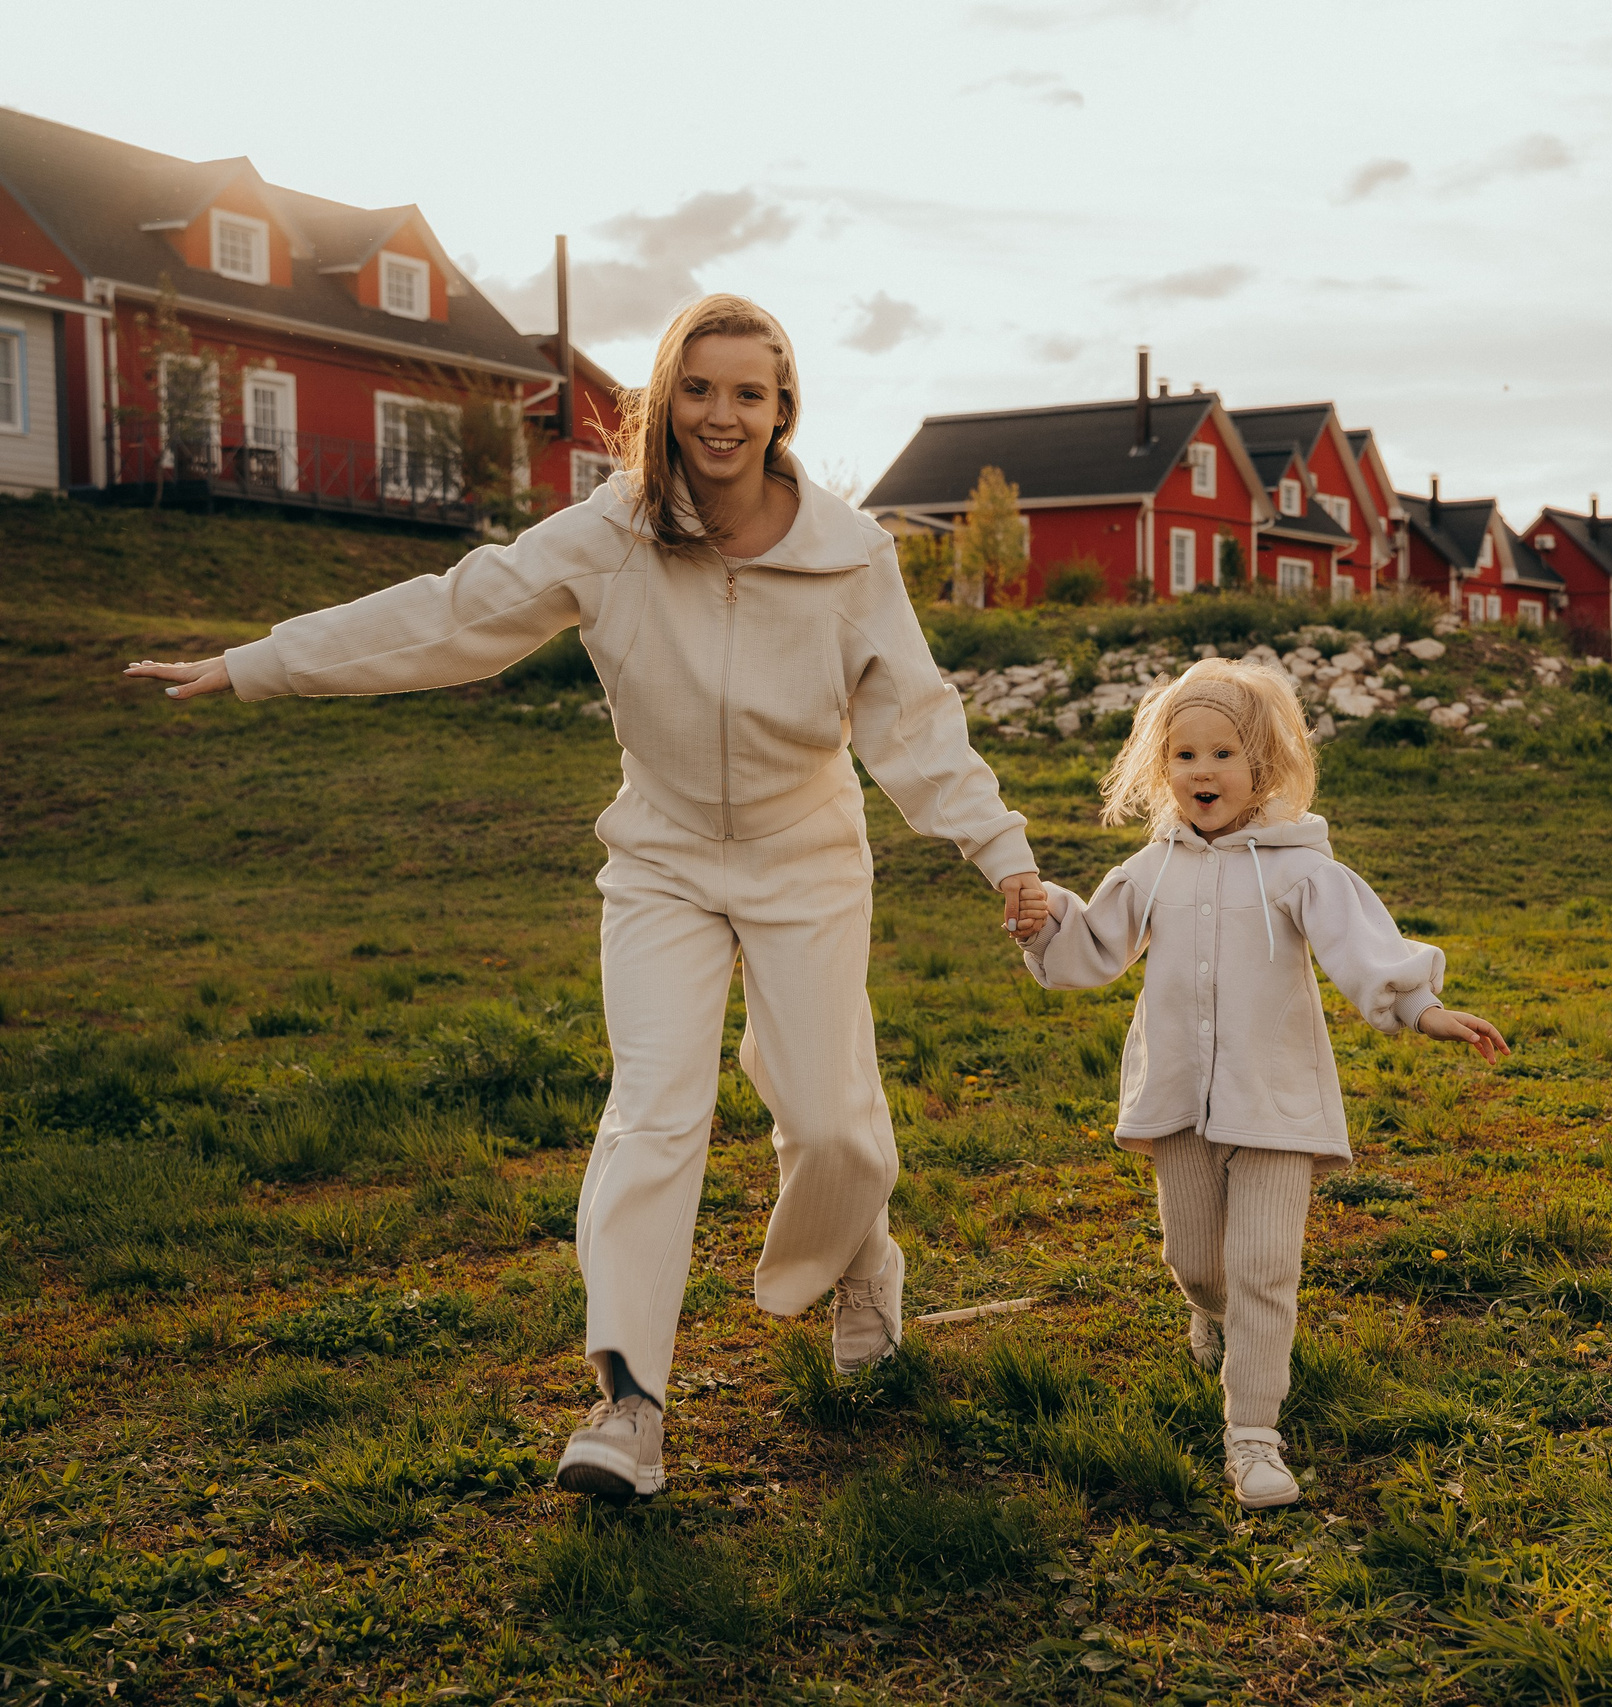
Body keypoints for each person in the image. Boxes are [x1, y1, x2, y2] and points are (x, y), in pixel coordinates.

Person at [123, 295, 1050, 1501]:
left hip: (805, 858)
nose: (723, 416)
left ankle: (861, 1255)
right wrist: (257, 663)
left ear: (782, 411)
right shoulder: (608, 535)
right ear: (665, 400)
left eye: (749, 394)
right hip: (661, 859)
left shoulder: (846, 555)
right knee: (653, 1114)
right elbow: (452, 613)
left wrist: (1004, 853)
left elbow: (914, 724)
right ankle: (628, 1404)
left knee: (826, 1120)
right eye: (701, 390)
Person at [1017, 658, 1506, 1508]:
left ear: (1262, 769)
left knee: (1264, 1267)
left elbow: (1362, 946)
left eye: (1223, 755)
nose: (1202, 771)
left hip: (1276, 1102)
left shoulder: (1299, 867)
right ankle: (1209, 1315)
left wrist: (1423, 1009)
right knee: (1196, 1261)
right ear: (1162, 769)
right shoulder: (1150, 869)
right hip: (1179, 1102)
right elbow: (1091, 948)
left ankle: (1253, 1436)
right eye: (1184, 755)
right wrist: (1046, 915)